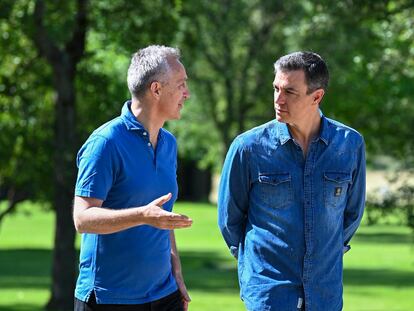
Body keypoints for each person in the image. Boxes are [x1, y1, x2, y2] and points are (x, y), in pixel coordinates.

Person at [218, 51, 366, 311]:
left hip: (325, 296)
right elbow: (230, 220)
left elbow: (350, 216)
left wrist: (323, 253)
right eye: (276, 88)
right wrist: (255, 267)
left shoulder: (350, 145)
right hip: (269, 296)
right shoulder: (248, 148)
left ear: (316, 96)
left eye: (289, 92)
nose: (278, 99)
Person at [73, 45, 193, 311]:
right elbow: (82, 219)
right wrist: (142, 215)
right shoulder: (105, 143)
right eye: (181, 84)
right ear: (156, 89)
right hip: (110, 298)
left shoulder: (169, 144)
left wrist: (177, 274)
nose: (187, 93)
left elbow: (162, 217)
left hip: (164, 296)